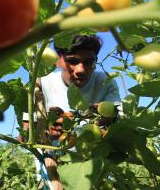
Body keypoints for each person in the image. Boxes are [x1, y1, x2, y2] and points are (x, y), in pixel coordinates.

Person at [20, 34, 122, 190]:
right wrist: (45, 131)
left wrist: (105, 118)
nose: (81, 69)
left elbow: (117, 121)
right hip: (51, 170)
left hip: (95, 169)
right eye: (73, 61)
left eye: (89, 62)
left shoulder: (105, 82)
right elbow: (24, 136)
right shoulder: (40, 85)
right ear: (58, 60)